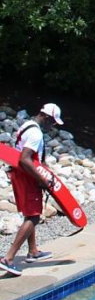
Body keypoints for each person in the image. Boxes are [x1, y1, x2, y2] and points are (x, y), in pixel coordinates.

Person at [0, 103, 63, 276]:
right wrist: (42, 179)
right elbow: (25, 159)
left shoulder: (27, 125)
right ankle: (8, 259)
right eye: (53, 122)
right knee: (34, 216)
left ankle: (33, 251)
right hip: (28, 178)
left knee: (30, 213)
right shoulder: (35, 133)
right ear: (46, 117)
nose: (53, 126)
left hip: (19, 175)